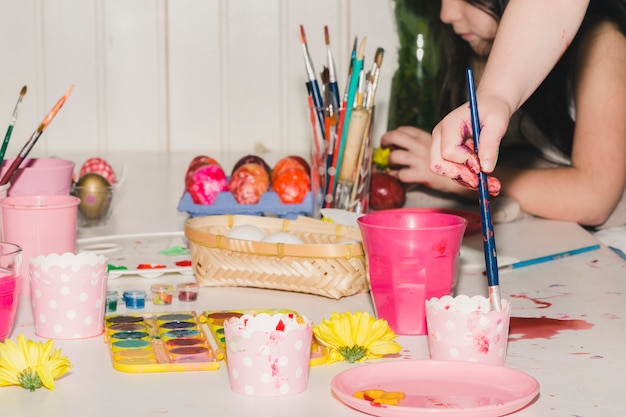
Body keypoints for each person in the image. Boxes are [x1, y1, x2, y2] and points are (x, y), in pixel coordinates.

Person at [381, 0, 626, 229]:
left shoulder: (603, 43)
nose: (447, 14)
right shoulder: (475, 50)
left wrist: (462, 182)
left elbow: (594, 199)